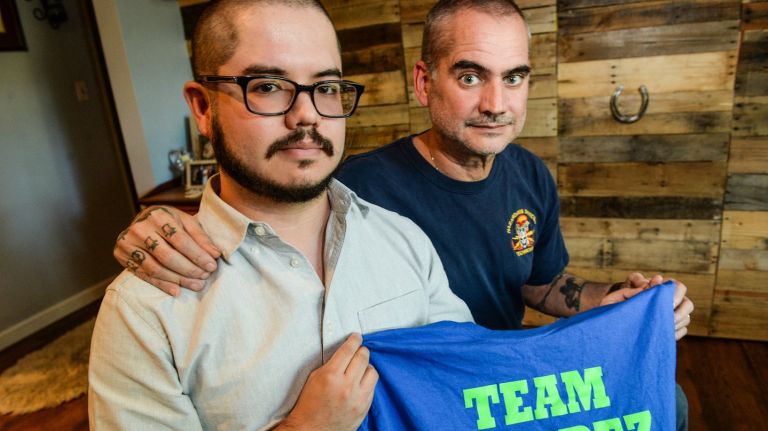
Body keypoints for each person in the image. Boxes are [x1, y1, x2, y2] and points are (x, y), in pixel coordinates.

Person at [112, 0, 694, 428]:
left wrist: (618, 309)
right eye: (267, 86)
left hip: (484, 386)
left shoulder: (417, 229)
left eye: (513, 78)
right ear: (424, 82)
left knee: (671, 400)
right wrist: (157, 223)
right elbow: (272, 193)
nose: (495, 104)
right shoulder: (361, 187)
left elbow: (534, 295)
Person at [88, 1, 473, 429]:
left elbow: (462, 390)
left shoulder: (405, 240)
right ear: (203, 107)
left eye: (326, 88)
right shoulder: (144, 311)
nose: (307, 114)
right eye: (268, 86)